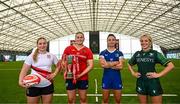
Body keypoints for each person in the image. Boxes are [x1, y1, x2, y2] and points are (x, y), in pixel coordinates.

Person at [128, 34, 174, 104]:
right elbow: (129, 63)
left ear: (150, 42)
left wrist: (158, 75)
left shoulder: (155, 53)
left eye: (146, 41)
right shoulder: (137, 54)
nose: (143, 43)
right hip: (141, 82)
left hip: (153, 83)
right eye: (142, 41)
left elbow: (170, 65)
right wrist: (133, 73)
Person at [19, 37, 59, 104]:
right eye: (40, 44)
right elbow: (24, 70)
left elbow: (59, 66)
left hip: (48, 85)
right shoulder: (31, 56)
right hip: (33, 86)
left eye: (44, 43)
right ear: (37, 45)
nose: (42, 45)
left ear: (47, 44)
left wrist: (54, 74)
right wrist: (20, 81)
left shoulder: (52, 56)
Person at [61, 32, 94, 104]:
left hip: (83, 78)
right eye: (78, 37)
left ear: (84, 39)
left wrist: (80, 75)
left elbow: (91, 65)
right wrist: (65, 67)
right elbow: (63, 61)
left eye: (81, 37)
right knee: (70, 99)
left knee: (83, 99)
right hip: (70, 77)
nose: (79, 39)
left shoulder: (87, 50)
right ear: (75, 39)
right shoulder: (68, 49)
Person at [99, 34, 124, 104]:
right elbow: (103, 65)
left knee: (118, 101)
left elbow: (121, 66)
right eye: (109, 40)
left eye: (113, 40)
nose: (111, 41)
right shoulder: (103, 53)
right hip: (106, 79)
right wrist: (116, 62)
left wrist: (108, 64)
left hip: (117, 79)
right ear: (107, 41)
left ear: (115, 41)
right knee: (105, 100)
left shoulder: (119, 53)